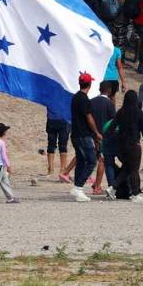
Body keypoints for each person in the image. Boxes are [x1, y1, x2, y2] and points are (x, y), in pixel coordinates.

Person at [106, 90, 143, 202]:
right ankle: (135, 194)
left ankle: (113, 187)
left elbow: (111, 127)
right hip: (134, 145)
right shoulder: (139, 112)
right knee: (134, 170)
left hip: (122, 145)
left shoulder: (121, 112)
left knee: (126, 168)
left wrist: (104, 139)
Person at [70, 73, 101, 202]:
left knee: (82, 162)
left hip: (76, 134)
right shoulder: (84, 99)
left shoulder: (75, 97)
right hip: (84, 135)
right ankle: (78, 187)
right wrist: (96, 133)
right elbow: (89, 118)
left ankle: (77, 189)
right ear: (90, 84)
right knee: (92, 161)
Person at [90, 82, 117, 197]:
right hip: (104, 135)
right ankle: (97, 187)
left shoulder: (92, 101)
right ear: (109, 91)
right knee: (102, 160)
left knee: (95, 158)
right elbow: (113, 122)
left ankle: (95, 183)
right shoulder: (110, 104)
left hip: (92, 134)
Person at [46, 105, 71, 180]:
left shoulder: (51, 94)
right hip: (61, 120)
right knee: (60, 145)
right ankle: (58, 169)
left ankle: (54, 169)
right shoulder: (67, 93)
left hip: (55, 119)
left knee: (54, 145)